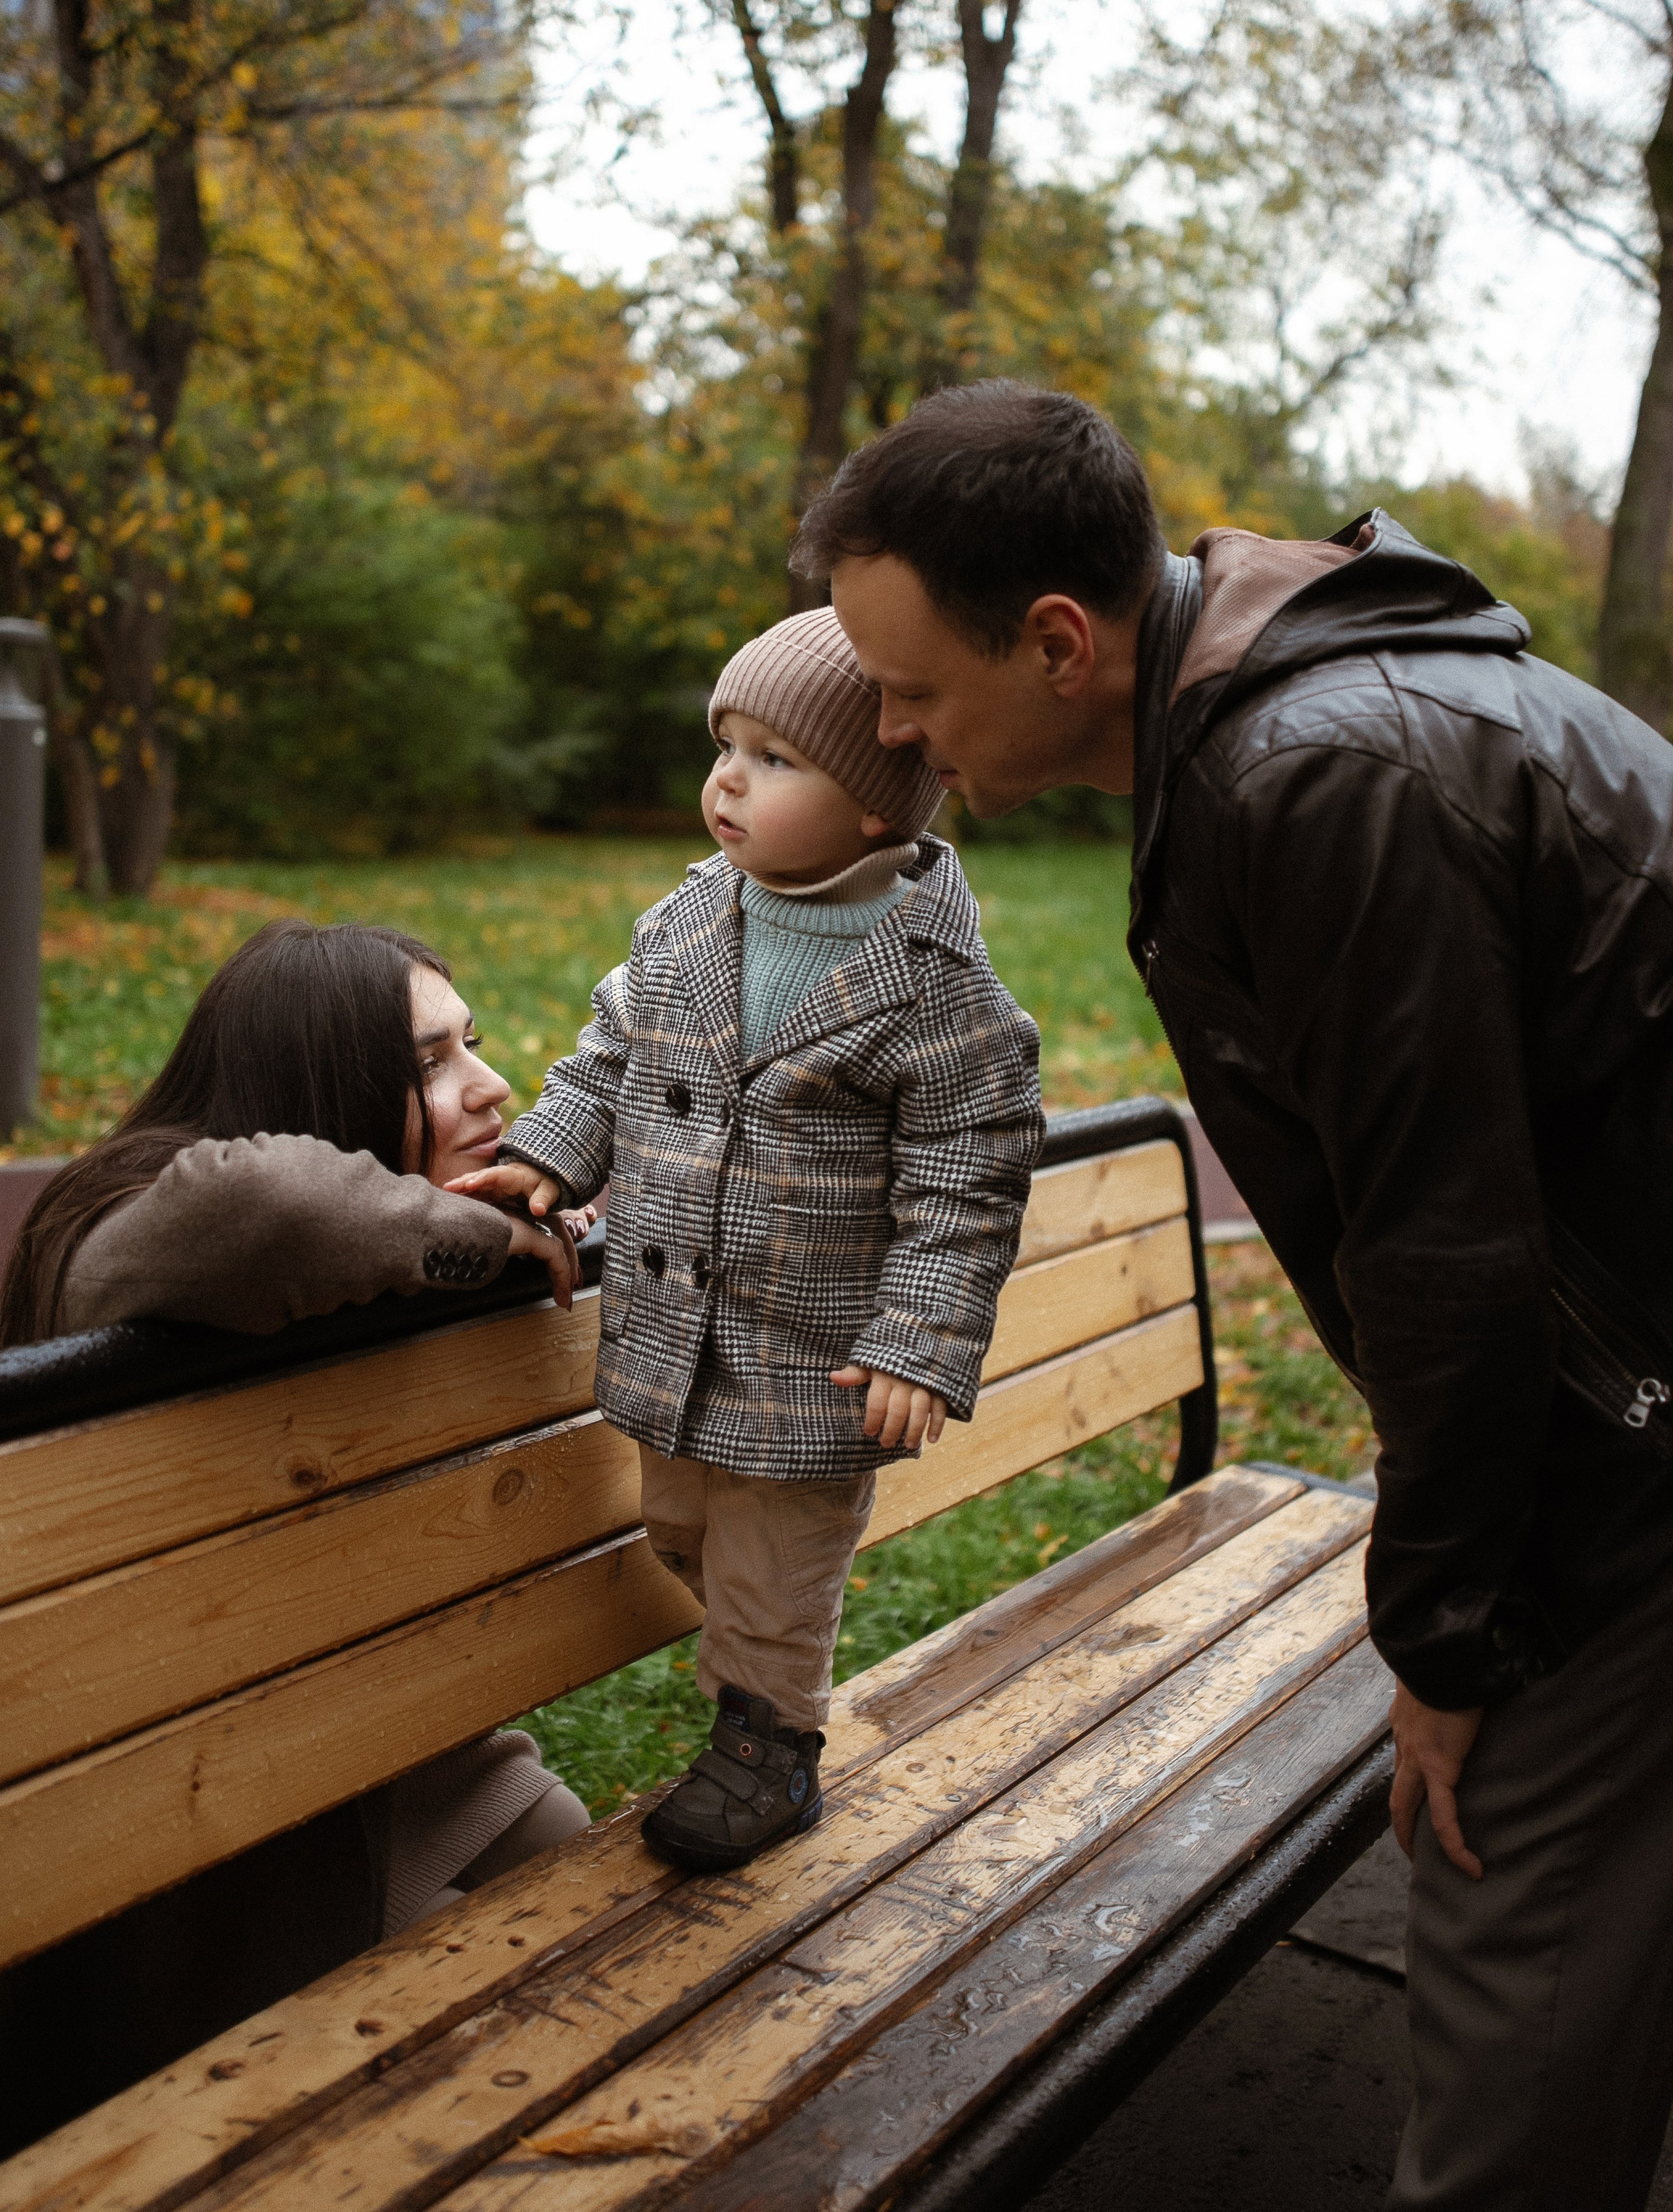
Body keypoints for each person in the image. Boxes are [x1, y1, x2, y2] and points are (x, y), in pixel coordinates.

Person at [799, 377, 1673, 2212]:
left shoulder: (1321, 774)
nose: (888, 728)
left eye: (910, 687)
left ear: (1057, 642)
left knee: (1501, 1908)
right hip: (1627, 1380)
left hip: (1636, 1438)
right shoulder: (1273, 723)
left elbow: (1449, 1249)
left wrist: (1447, 1639)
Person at [452, 610, 1044, 1871]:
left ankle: (768, 1745)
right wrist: (557, 1151)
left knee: (774, 1568)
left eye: (778, 760)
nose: (727, 779)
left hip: (813, 1357)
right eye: (727, 745)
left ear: (882, 806)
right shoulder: (689, 923)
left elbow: (964, 1187)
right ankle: (755, 1675)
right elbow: (610, 1056)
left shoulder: (940, 991)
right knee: (685, 1534)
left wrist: (921, 1342)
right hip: (678, 1340)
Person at [0, 919, 594, 2153]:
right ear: (316, 1086)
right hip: (185, 1846)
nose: (489, 1086)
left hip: (374, 1747)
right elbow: (265, 1199)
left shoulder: (363, 1249)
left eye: (472, 1045)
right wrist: (497, 1242)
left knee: (621, 1941)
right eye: (430, 1063)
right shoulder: (124, 1229)